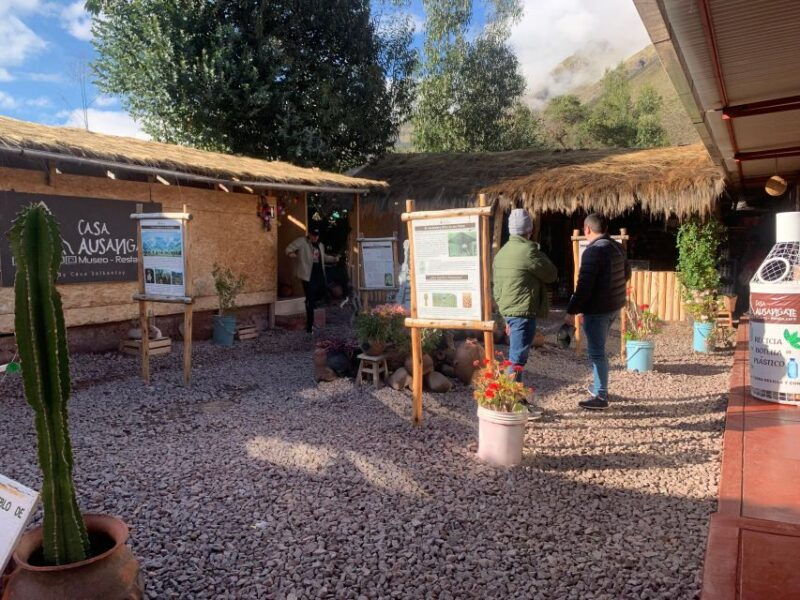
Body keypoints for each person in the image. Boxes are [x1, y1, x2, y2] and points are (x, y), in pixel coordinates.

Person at [493, 208, 557, 417]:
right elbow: (551, 274)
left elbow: (496, 288)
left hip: (508, 311)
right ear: (529, 230)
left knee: (514, 357)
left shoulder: (501, 253)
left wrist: (504, 315)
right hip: (522, 311)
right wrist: (537, 249)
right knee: (517, 359)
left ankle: (514, 400)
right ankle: (514, 404)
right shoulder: (529, 252)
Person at [565, 213, 630, 411]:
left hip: (598, 310)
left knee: (597, 352)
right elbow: (627, 273)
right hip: (614, 306)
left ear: (587, 230)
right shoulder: (617, 246)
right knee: (599, 349)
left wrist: (571, 311)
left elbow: (584, 286)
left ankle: (601, 396)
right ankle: (598, 387)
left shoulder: (592, 252)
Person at [285, 229, 337, 333]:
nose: (315, 237)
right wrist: (296, 256)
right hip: (307, 275)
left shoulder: (320, 245)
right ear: (309, 234)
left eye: (317, 236)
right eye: (313, 235)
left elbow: (324, 257)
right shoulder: (302, 241)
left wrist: (334, 259)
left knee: (322, 293)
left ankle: (310, 301)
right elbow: (288, 249)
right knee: (310, 300)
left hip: (319, 275)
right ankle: (309, 326)